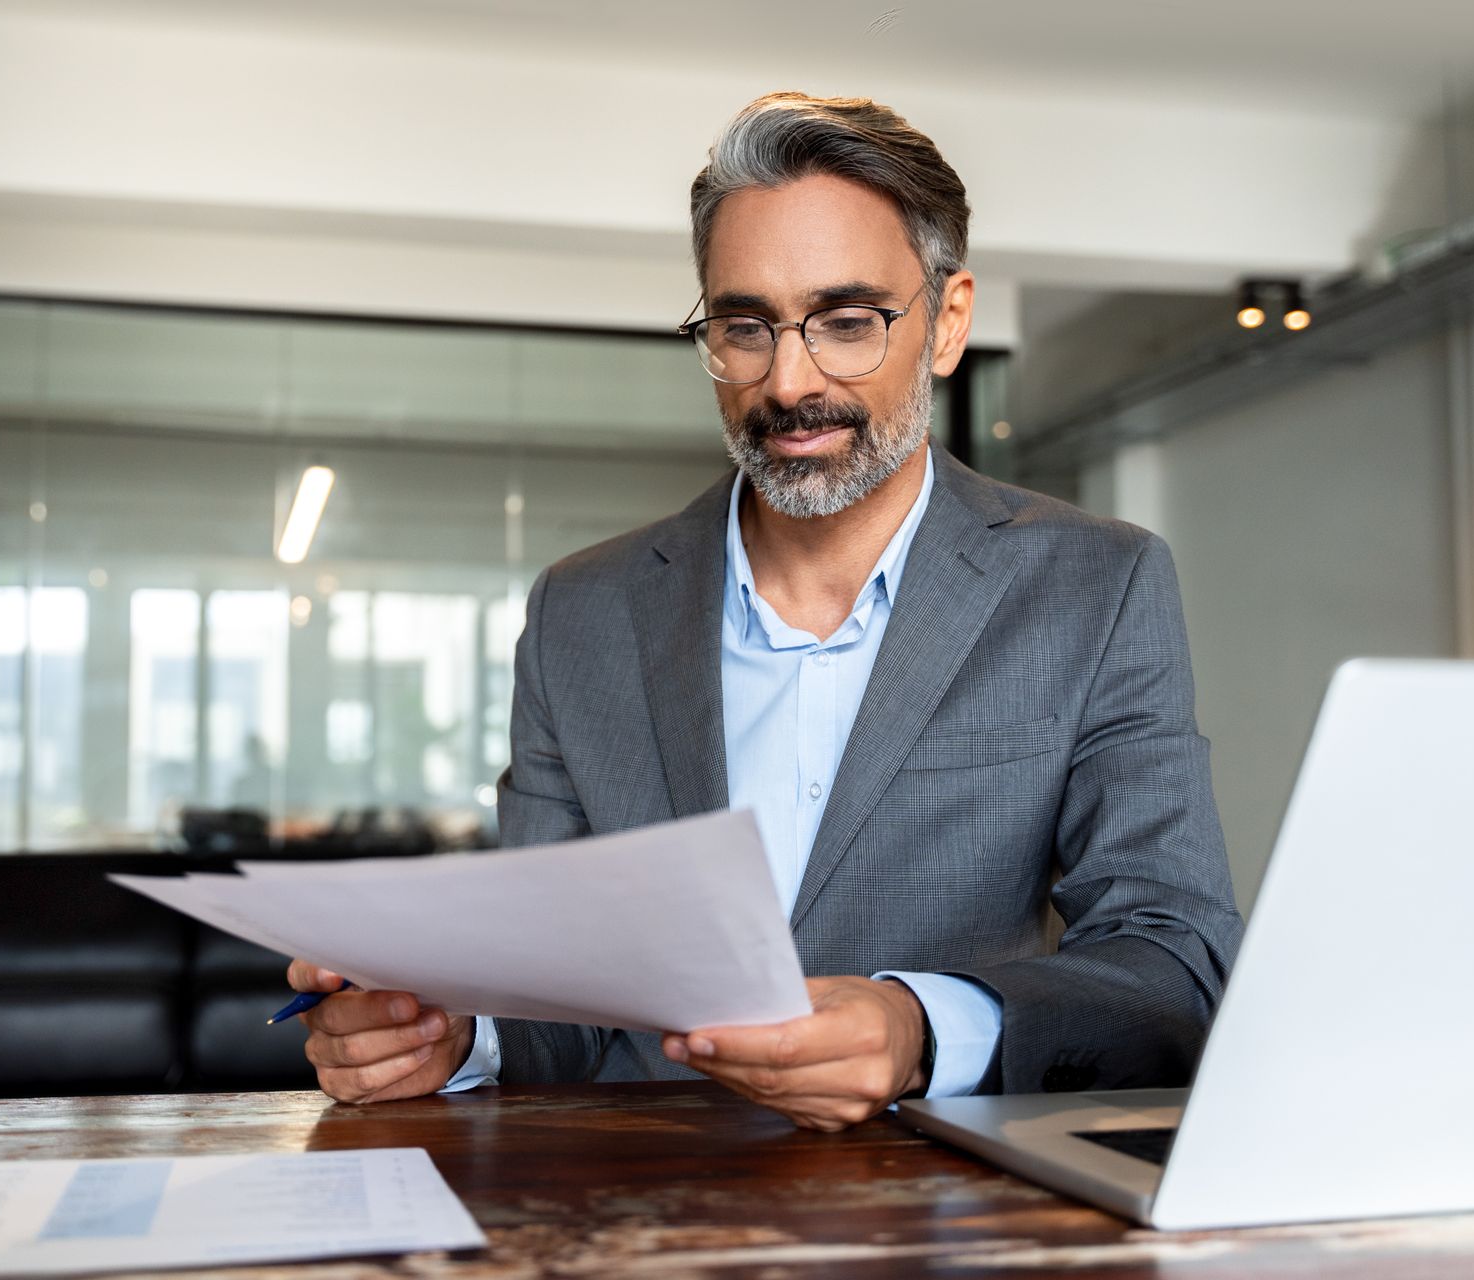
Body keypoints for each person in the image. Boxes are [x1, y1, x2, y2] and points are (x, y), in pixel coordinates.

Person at [287, 91, 1244, 1131]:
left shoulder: (1094, 585)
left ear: (948, 320)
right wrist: (453, 1032)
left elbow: (1174, 959)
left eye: (846, 322)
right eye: (745, 326)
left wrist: (920, 1026)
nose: (789, 382)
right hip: (641, 1203)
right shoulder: (583, 613)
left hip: (950, 1214)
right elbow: (561, 989)